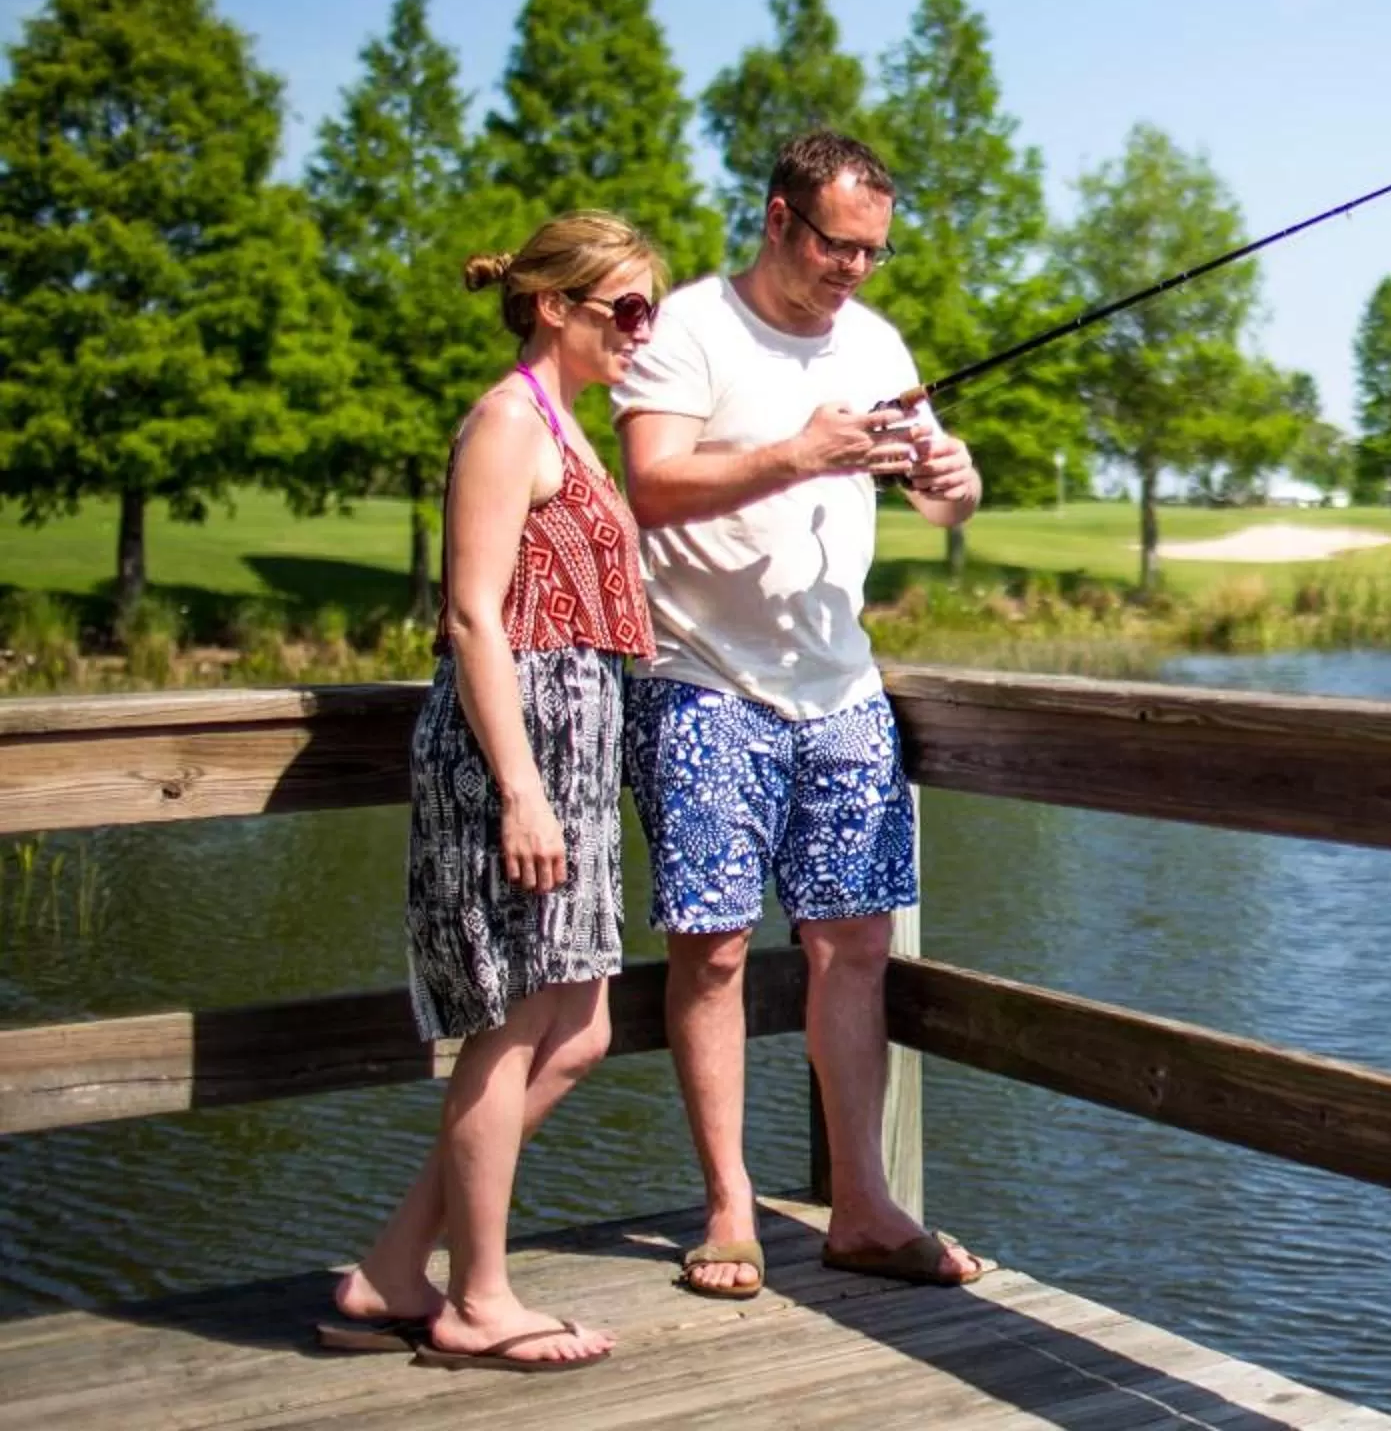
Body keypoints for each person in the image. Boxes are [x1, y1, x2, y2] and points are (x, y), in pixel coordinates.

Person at [612, 132, 988, 1300]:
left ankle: (864, 1206)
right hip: (702, 680)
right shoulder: (688, 328)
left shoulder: (876, 342)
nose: (854, 268)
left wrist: (953, 485)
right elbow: (649, 483)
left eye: (873, 250)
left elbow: (935, 489)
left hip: (844, 693)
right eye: (836, 243)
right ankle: (731, 1204)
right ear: (779, 217)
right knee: (714, 946)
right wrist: (796, 453)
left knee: (857, 945)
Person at [320, 212, 663, 1374]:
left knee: (581, 1026)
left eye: (651, 309)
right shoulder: (509, 420)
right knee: (510, 1024)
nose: (642, 330)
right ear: (555, 306)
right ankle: (478, 1297)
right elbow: (474, 614)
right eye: (626, 308)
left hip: (575, 747)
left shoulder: (569, 423)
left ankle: (394, 1264)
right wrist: (520, 790)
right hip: (513, 750)